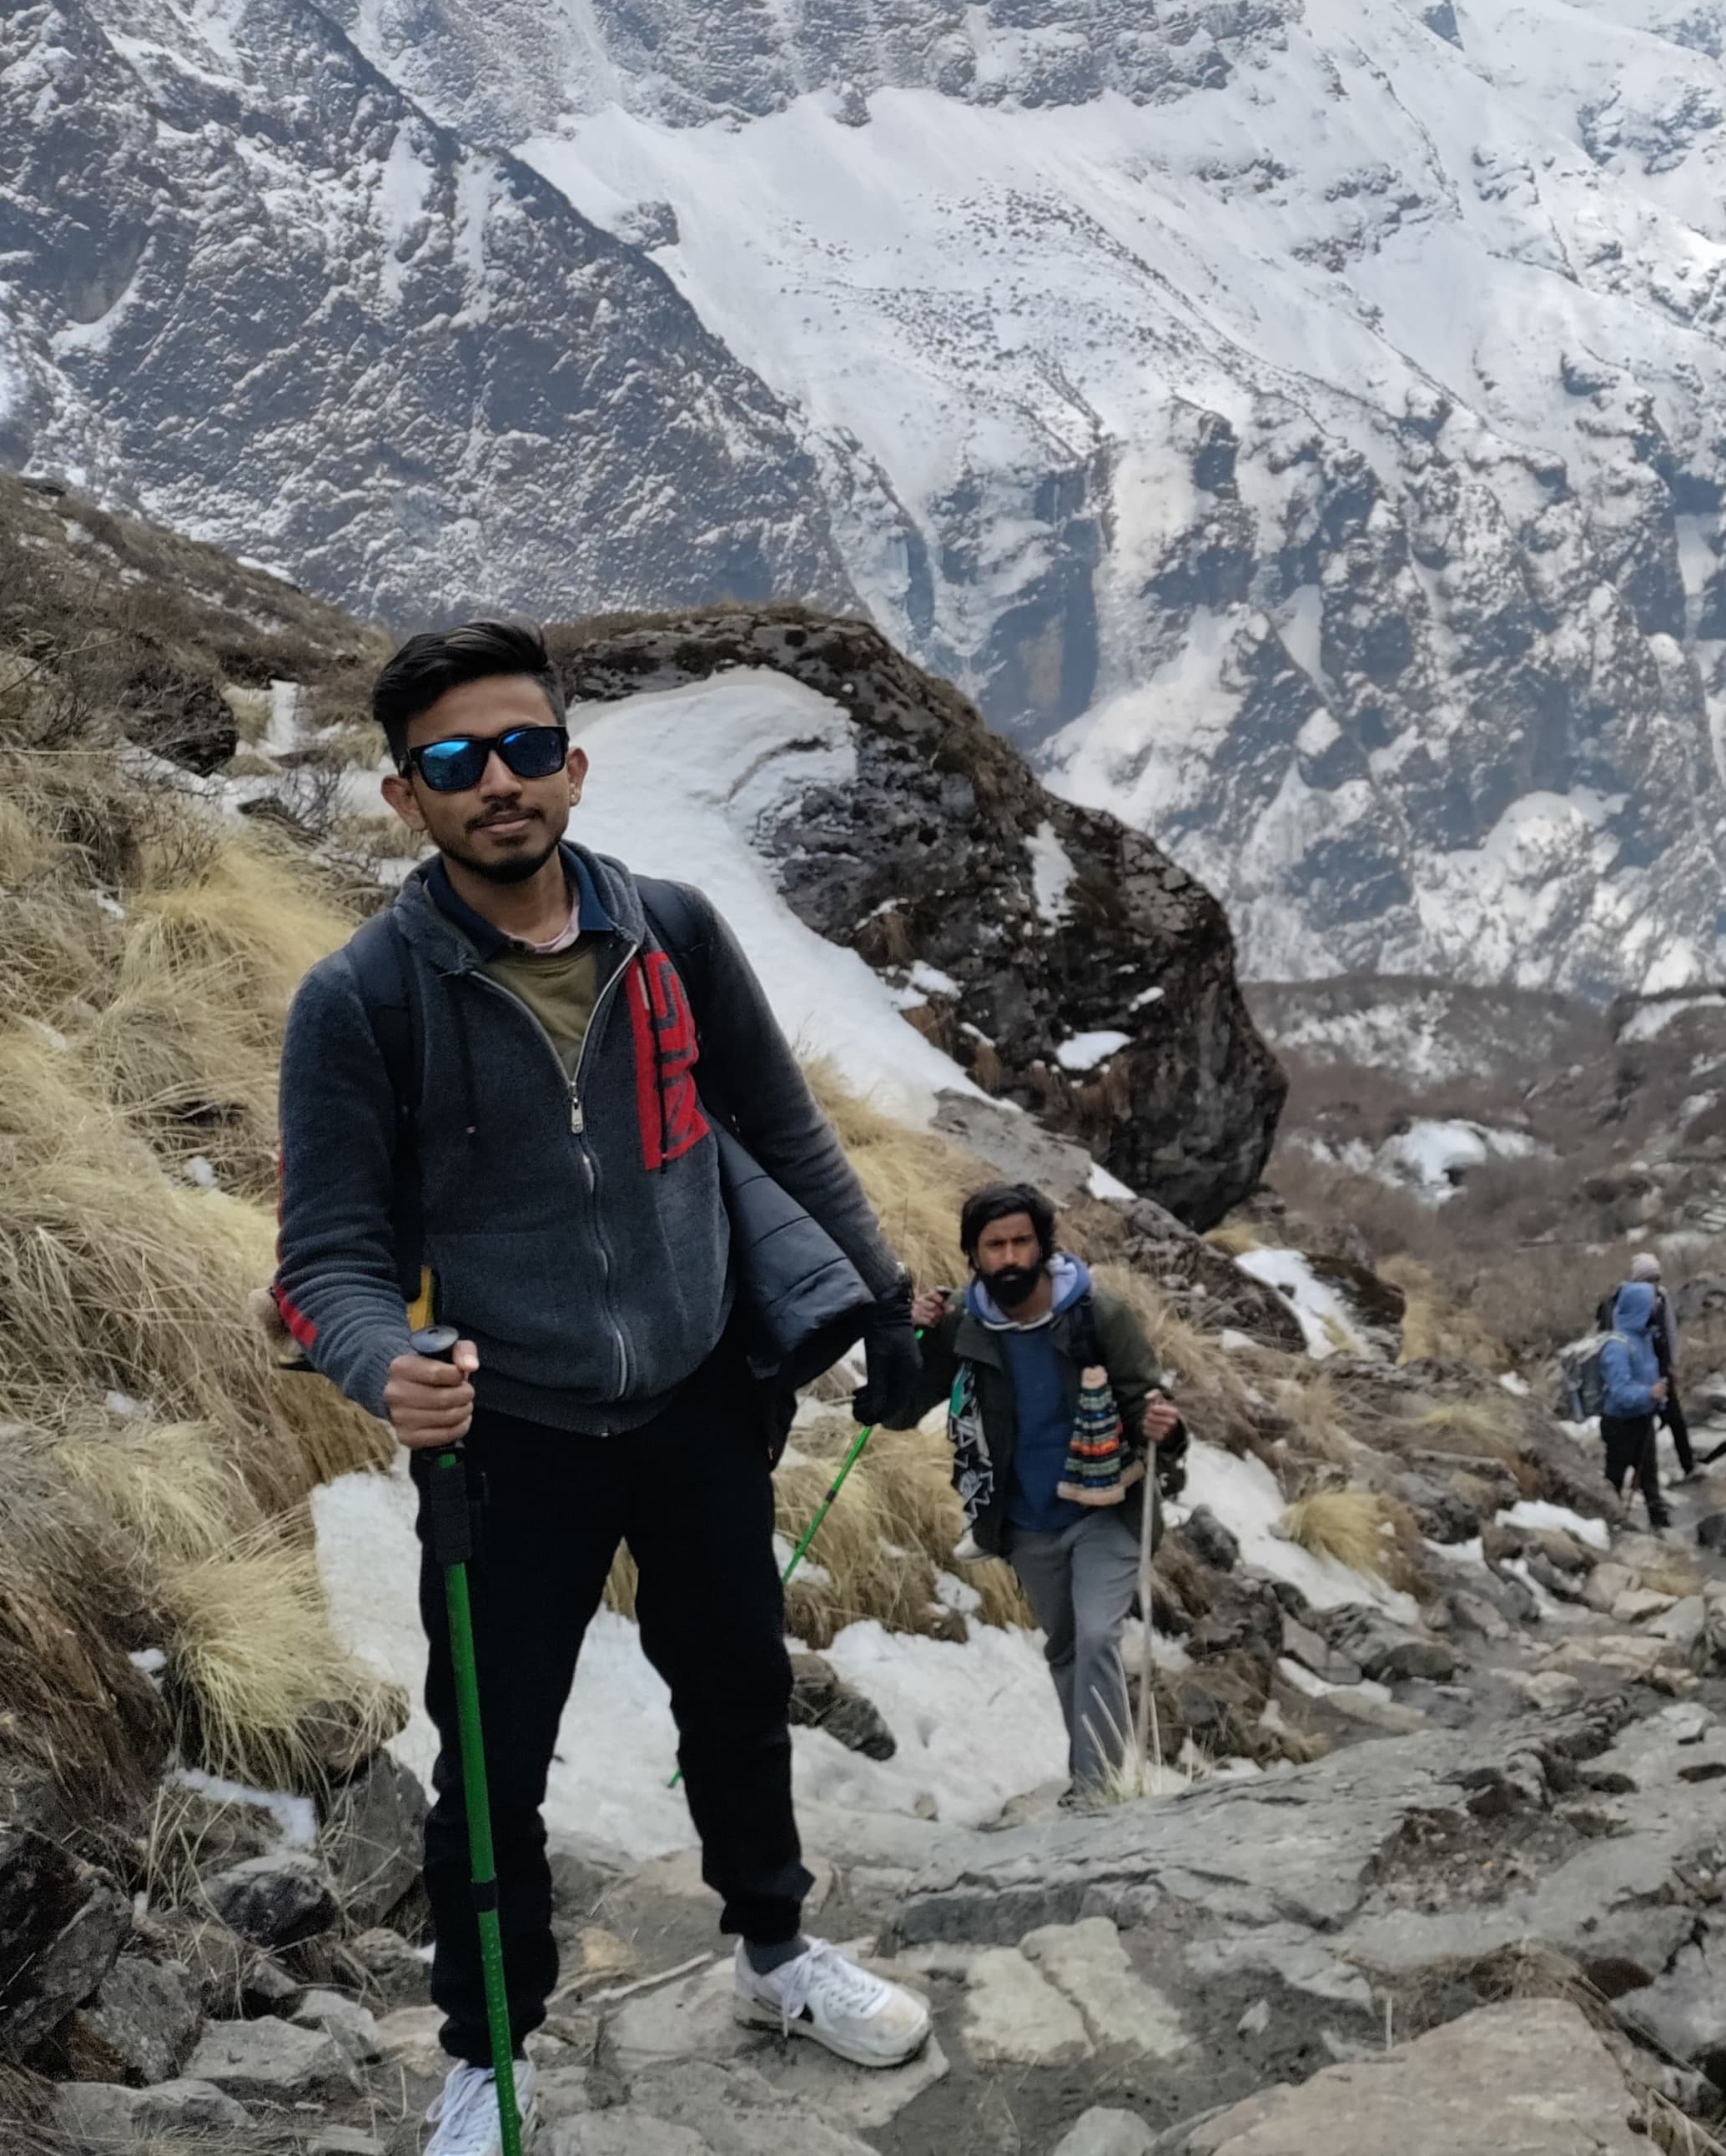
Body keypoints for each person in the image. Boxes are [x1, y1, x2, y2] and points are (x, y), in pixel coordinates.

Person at [271, 621, 933, 2156]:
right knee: (494, 1760)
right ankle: (486, 2055)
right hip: (509, 1431)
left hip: (700, 1394)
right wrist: (390, 1368)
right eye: (453, 762)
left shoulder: (678, 936)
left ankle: (776, 1951)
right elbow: (328, 1257)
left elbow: (780, 1127)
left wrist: (887, 1299)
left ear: (571, 763)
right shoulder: (362, 999)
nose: (494, 782)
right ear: (405, 798)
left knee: (739, 1690)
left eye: (519, 749)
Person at [876, 1183, 1186, 1800]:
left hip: (1108, 1506)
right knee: (1069, 1645)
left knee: (1099, 1634)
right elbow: (899, 1410)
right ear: (974, 1254)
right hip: (1023, 1521)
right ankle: (1094, 1779)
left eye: (1022, 1241)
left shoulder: (1100, 1314)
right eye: (996, 1245)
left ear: (1044, 1246)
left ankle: (1095, 1790)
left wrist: (1167, 1428)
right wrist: (901, 1338)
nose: (1011, 1256)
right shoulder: (962, 1324)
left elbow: (1148, 1403)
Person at [1598, 1252, 1695, 1480]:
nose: (1653, 1285)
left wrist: (1673, 1363)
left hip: (1657, 1368)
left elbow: (1670, 1331)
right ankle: (1627, 1491)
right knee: (1622, 1459)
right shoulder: (1626, 1302)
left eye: (1656, 1279)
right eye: (1648, 1279)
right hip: (1633, 1377)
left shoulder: (1660, 1299)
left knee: (1674, 1418)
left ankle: (1686, 1465)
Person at [1598, 1278, 1671, 1530]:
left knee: (1650, 1479)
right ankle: (1609, 1527)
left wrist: (1658, 1399)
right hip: (1620, 1424)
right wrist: (1650, 1393)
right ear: (1640, 1308)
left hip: (1643, 1419)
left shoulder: (1645, 1339)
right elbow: (1619, 1392)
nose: (1655, 1310)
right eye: (1651, 1305)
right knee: (1614, 1480)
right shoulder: (1617, 1347)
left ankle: (1660, 1528)